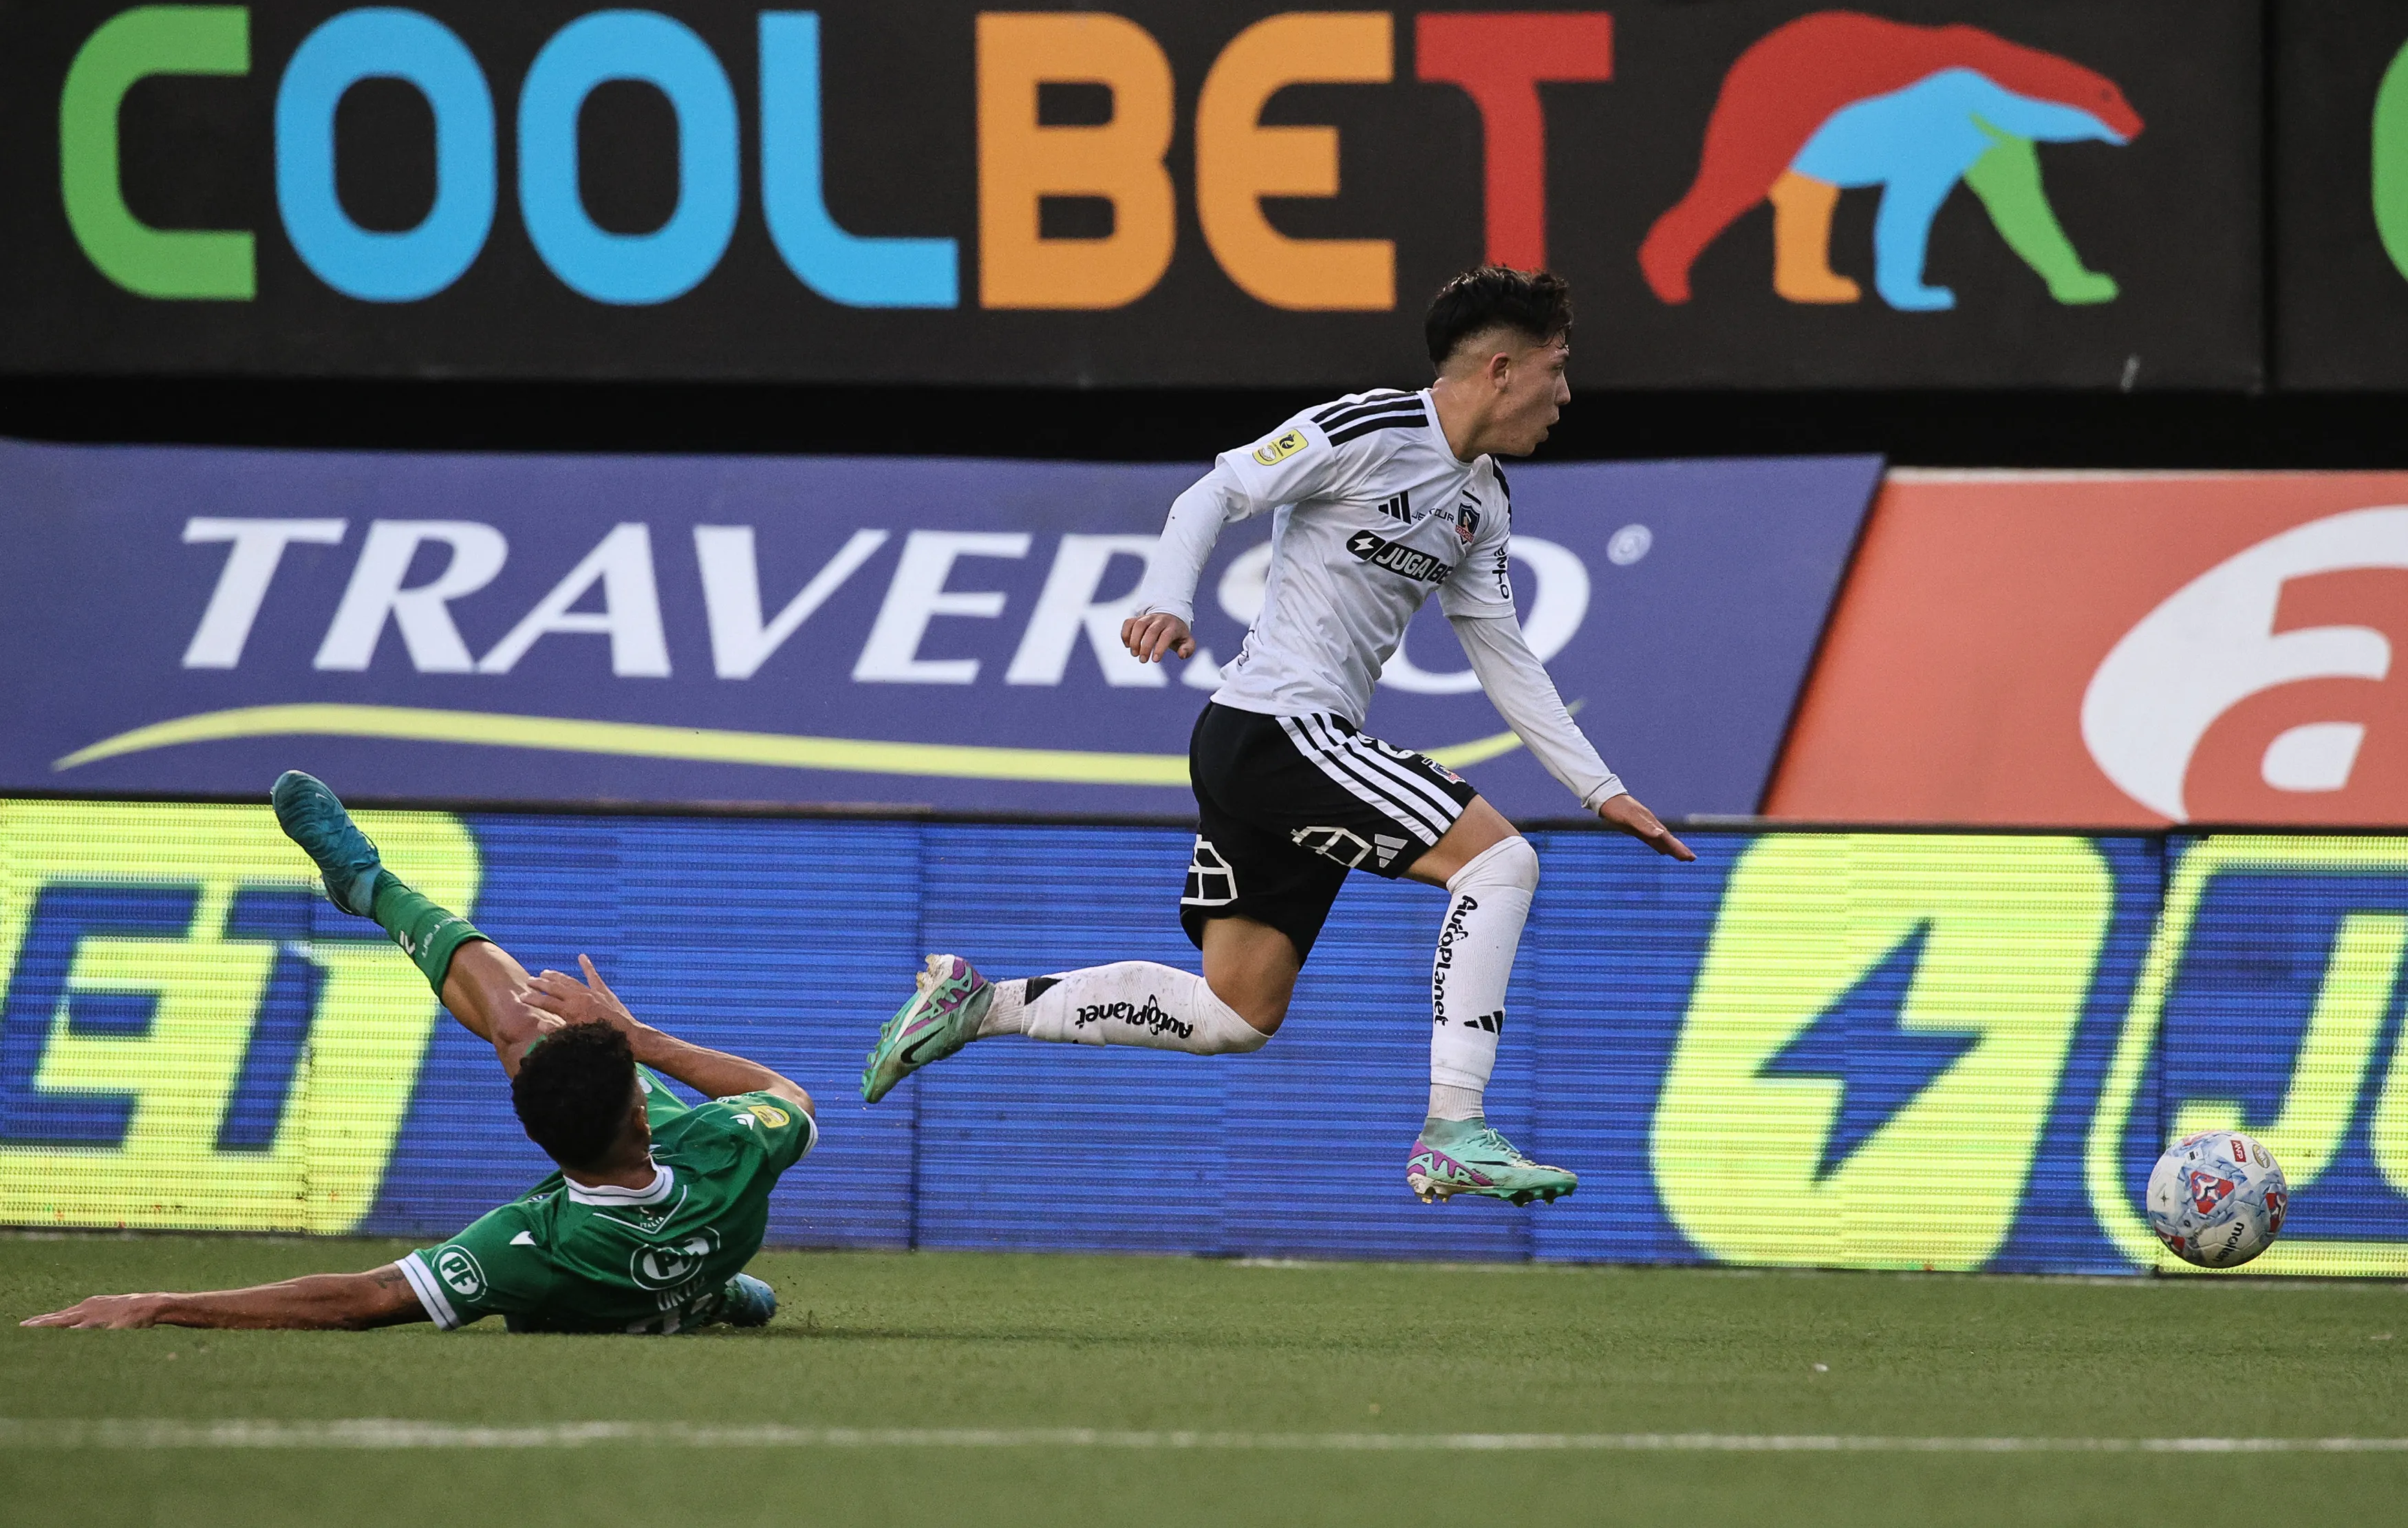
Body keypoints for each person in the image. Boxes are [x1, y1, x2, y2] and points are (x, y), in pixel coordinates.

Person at [860, 266, 1695, 1207]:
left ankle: (985, 1001)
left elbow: (1503, 654)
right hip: (1274, 729)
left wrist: (1602, 788)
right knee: (1500, 863)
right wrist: (1169, 598)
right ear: (1502, 369)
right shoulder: (1367, 428)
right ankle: (1455, 1127)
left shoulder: (1484, 503)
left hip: (1270, 749)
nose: (1567, 394)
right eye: (1558, 368)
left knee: (1236, 1011)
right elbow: (1216, 490)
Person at [22, 772, 816, 1333]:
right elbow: (784, 1092)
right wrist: (635, 1038)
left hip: (605, 1284)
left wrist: (160, 1303)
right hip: (697, 1241)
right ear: (647, 1117)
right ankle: (706, 1290)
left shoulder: (530, 1249)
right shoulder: (725, 1158)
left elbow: (358, 1299)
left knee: (521, 1025)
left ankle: (367, 885)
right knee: (529, 1030)